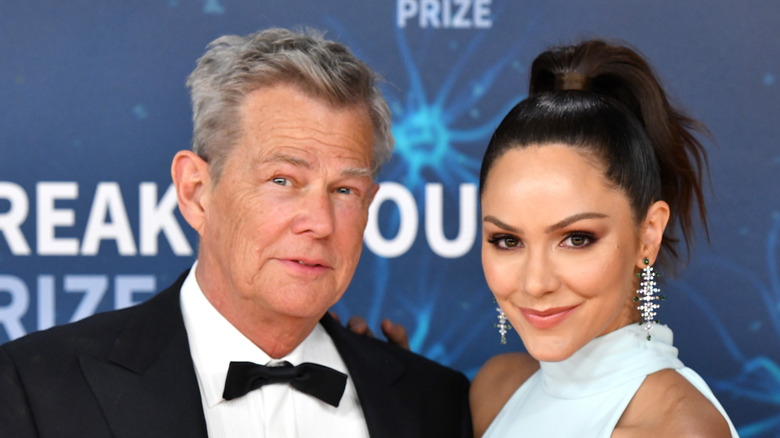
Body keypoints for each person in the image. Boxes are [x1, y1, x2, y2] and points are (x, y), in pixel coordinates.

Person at [0, 27, 472, 438]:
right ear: (196, 192)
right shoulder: (38, 389)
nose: (321, 222)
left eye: (345, 190)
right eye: (283, 180)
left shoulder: (435, 404)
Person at [469, 40, 739, 437]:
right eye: (508, 241)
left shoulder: (674, 429)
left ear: (648, 235)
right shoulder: (495, 389)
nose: (535, 282)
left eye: (576, 239)